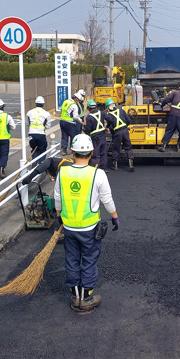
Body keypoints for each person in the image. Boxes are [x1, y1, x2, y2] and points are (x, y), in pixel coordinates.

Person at [54, 134, 119, 313]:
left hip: (69, 227)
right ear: (91, 153)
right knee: (89, 260)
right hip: (90, 228)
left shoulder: (63, 172)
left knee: (72, 260)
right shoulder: (97, 174)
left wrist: (59, 215)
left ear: (72, 153)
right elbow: (107, 199)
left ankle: (75, 297)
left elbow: (57, 198)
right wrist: (114, 216)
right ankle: (87, 298)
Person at [104, 98, 134, 172]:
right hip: (125, 131)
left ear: (108, 107)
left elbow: (111, 127)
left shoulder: (109, 115)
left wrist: (113, 134)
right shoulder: (121, 110)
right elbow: (128, 120)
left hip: (117, 133)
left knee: (116, 148)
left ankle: (115, 165)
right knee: (128, 147)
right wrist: (125, 127)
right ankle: (130, 163)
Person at [25, 96, 52, 164]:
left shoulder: (29, 112)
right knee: (42, 150)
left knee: (34, 149)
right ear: (43, 104)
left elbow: (27, 123)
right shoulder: (46, 113)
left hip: (31, 134)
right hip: (41, 134)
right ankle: (41, 164)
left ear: (35, 103)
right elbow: (48, 125)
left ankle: (34, 160)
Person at [84, 100, 108, 171]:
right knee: (103, 152)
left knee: (96, 153)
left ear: (89, 108)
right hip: (103, 135)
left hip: (95, 137)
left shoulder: (89, 117)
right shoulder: (102, 113)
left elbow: (88, 129)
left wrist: (84, 125)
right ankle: (102, 168)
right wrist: (106, 127)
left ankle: (96, 168)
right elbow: (110, 119)